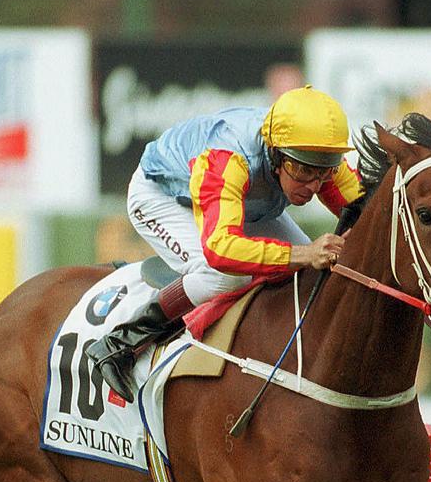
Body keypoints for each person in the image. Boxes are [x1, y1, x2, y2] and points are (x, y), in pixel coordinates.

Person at [85, 86, 363, 402]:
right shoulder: (227, 160)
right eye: (302, 170)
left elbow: (364, 210)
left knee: (310, 275)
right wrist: (304, 252)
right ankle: (121, 341)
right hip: (164, 198)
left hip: (242, 202)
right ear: (275, 152)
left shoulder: (312, 154)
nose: (313, 185)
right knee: (226, 275)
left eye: (324, 172)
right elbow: (221, 251)